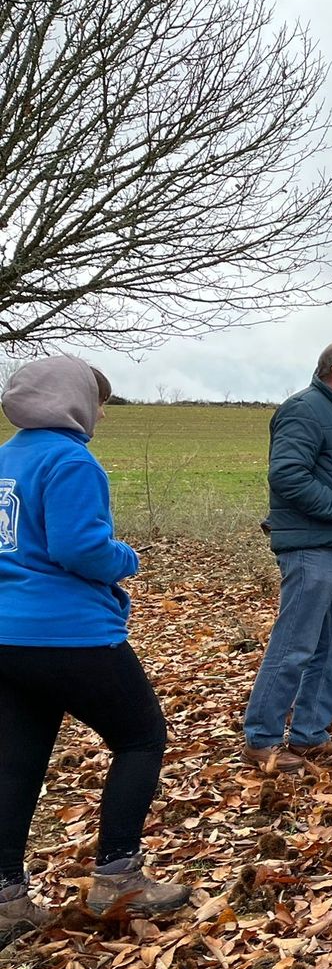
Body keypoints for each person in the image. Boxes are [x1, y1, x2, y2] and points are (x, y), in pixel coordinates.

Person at [0, 357, 189, 934]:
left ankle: (5, 898)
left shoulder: (6, 457)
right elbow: (81, 549)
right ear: (72, 400)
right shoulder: (70, 460)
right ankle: (118, 879)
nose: (101, 412)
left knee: (17, 760)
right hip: (69, 633)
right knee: (140, 736)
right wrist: (126, 557)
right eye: (98, 400)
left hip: (7, 635)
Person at [242, 342, 332, 774]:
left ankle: (310, 735)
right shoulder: (304, 410)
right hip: (312, 548)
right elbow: (286, 474)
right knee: (296, 644)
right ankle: (261, 740)